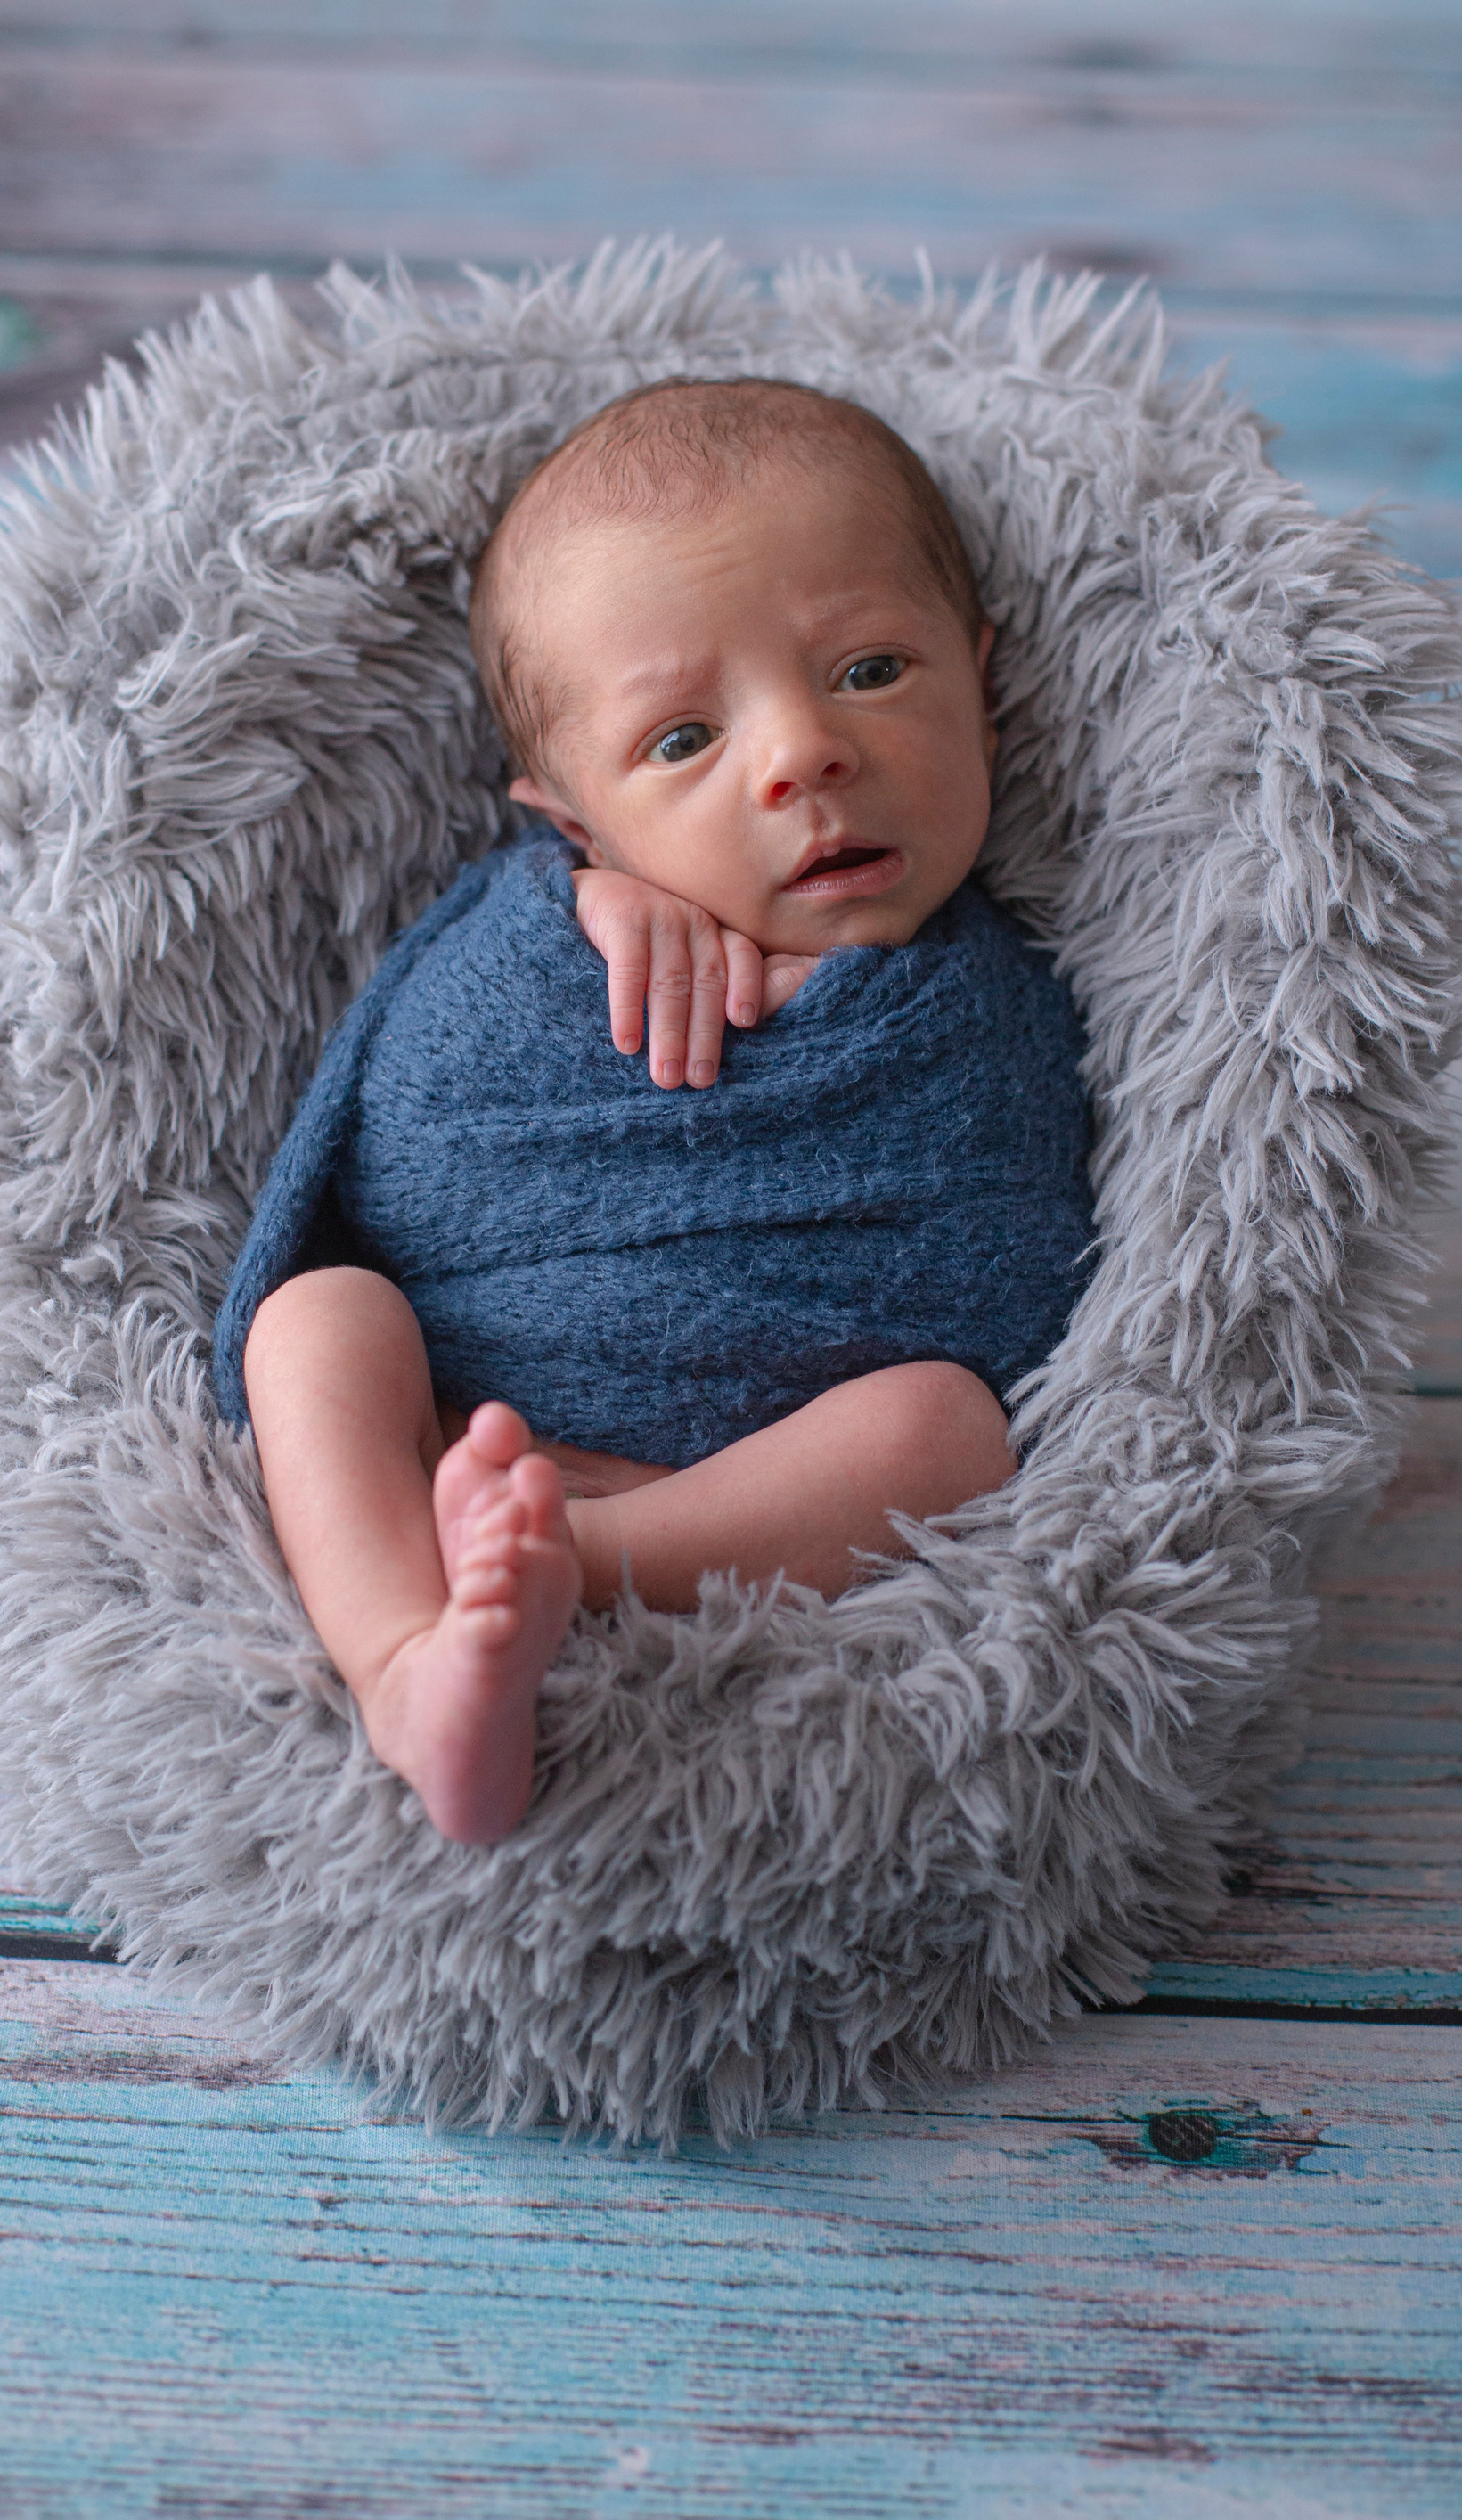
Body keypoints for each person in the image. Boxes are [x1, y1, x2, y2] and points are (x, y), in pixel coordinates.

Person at [215, 378, 1094, 1845]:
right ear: (571, 821)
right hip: (463, 1416)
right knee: (316, 1322)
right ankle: (406, 1668)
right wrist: (567, 914)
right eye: (682, 742)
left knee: (948, 1427)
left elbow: (1018, 1260)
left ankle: (575, 1563)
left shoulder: (995, 993)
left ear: (983, 686)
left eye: (872, 668)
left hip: (768, 1491)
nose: (799, 754)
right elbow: (417, 1134)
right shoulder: (548, 920)